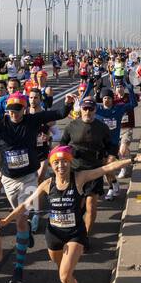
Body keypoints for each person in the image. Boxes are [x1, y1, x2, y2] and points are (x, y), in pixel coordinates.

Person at [0, 147, 141, 283]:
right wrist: (6, 220)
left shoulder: (79, 178)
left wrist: (132, 160)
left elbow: (104, 169)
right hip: (54, 234)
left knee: (64, 276)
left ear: (70, 162)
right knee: (64, 272)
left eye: (64, 161)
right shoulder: (47, 184)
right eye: (56, 162)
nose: (61, 165)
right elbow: (25, 204)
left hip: (75, 234)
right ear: (51, 165)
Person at [0, 91, 75, 283]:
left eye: (17, 110)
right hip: (8, 179)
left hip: (29, 177)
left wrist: (68, 104)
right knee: (21, 219)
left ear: (24, 109)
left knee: (21, 218)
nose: (14, 114)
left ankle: (18, 268)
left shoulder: (32, 120)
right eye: (11, 110)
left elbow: (58, 114)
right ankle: (27, 231)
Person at [60, 97, 115, 239]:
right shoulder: (72, 126)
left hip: (94, 171)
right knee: (75, 207)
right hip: (75, 171)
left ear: (95, 110)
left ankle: (84, 237)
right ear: (81, 109)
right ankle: (74, 231)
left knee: (91, 205)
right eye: (85, 108)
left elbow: (111, 145)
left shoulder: (102, 127)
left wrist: (111, 156)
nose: (88, 112)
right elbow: (62, 146)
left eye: (91, 109)